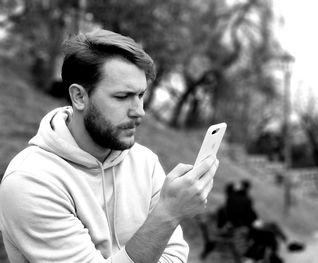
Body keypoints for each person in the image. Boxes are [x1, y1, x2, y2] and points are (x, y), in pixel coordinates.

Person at [0, 29, 219, 263]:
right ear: (79, 97)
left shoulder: (145, 162)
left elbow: (174, 256)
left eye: (141, 95)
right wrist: (168, 214)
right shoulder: (31, 182)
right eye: (123, 97)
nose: (139, 112)